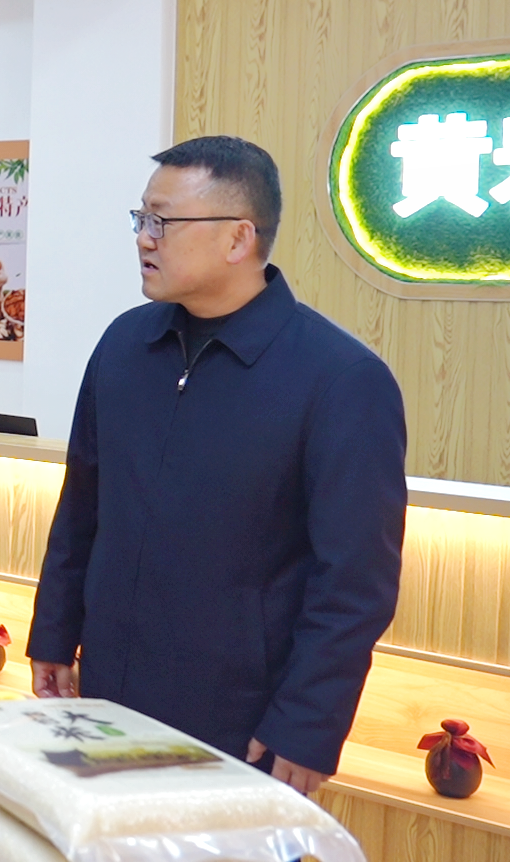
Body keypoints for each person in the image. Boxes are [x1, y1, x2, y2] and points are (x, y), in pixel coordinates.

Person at [26, 135, 407, 794]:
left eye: (163, 222)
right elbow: (82, 506)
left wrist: (308, 723)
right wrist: (55, 635)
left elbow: (354, 583)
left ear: (238, 238)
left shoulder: (340, 379)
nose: (143, 238)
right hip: (105, 694)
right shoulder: (124, 345)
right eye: (141, 218)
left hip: (241, 720)